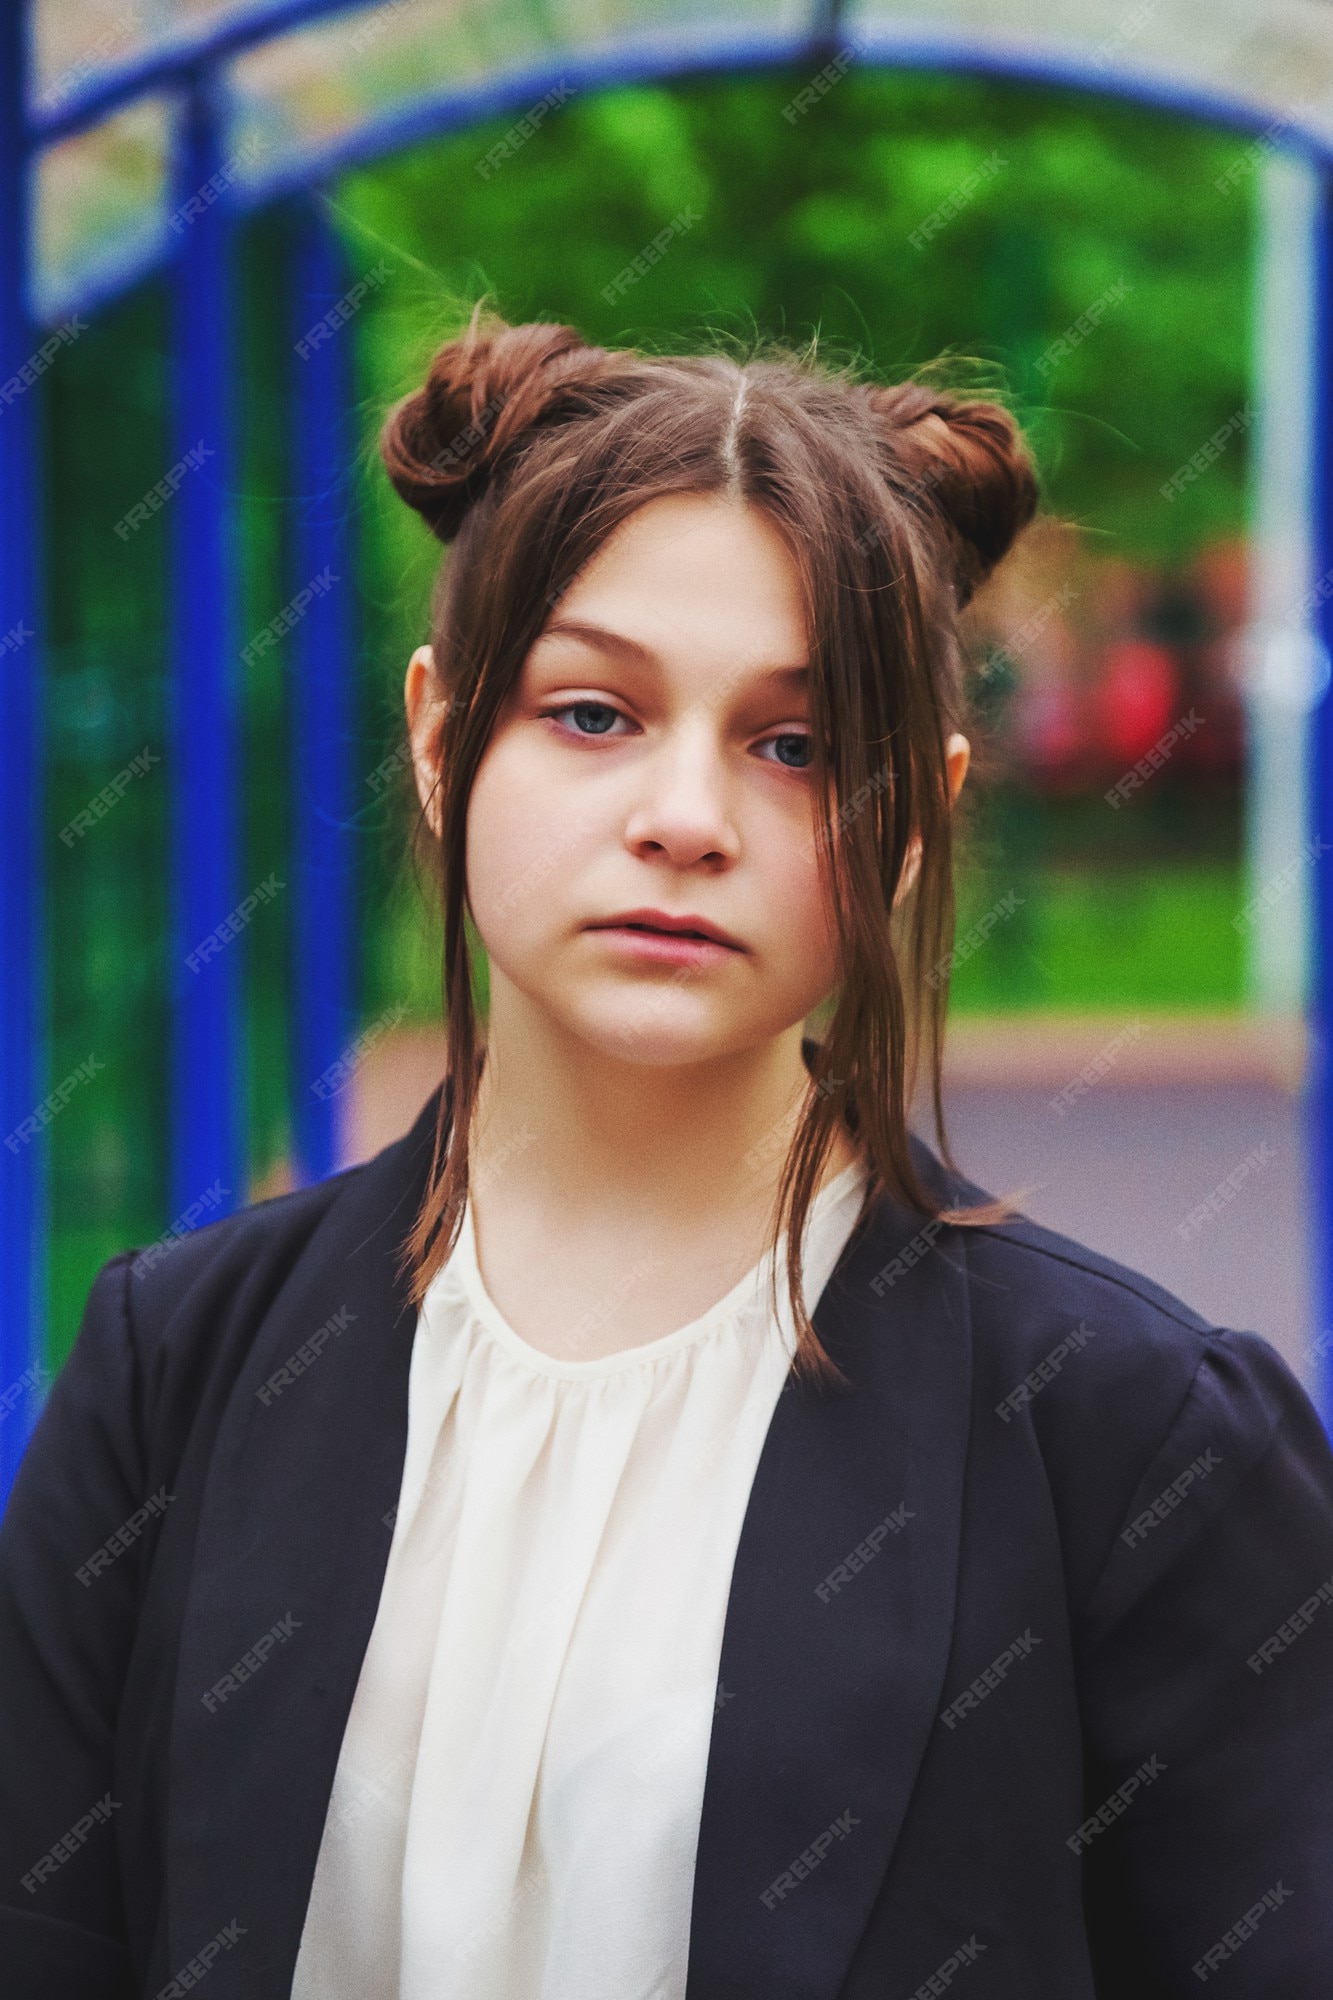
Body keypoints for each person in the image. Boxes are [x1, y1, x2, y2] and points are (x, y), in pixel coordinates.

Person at [1, 306, 1330, 2000]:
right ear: (435, 732)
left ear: (914, 816)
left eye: (795, 745)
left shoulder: (1126, 1432)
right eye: (590, 712)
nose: (685, 817)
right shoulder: (171, 1370)